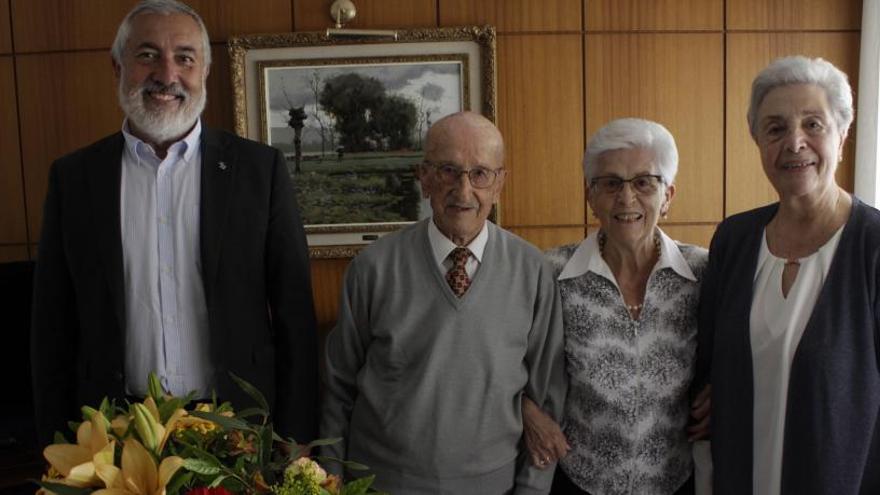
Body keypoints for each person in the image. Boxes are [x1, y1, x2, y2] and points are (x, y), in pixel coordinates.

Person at [30, 0, 317, 446]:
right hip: (113, 431)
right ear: (117, 66)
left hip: (236, 425)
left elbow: (294, 319)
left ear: (204, 70)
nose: (167, 74)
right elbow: (51, 326)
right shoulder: (74, 179)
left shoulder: (259, 171)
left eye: (184, 57)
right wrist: (55, 445)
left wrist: (296, 441)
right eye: (147, 55)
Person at [320, 111, 567, 494]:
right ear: (424, 178)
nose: (464, 191)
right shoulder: (372, 268)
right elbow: (338, 390)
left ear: (500, 184)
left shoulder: (533, 272)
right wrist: (330, 481)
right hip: (379, 484)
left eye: (481, 174)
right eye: (449, 171)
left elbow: (547, 397)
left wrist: (532, 490)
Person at [697, 55, 880, 494]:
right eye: (775, 128)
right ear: (757, 140)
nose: (794, 142)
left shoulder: (872, 246)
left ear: (842, 134)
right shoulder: (734, 239)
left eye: (813, 124)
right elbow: (708, 360)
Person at [521, 118, 711, 494]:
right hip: (579, 481)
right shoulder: (551, 273)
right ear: (591, 196)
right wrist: (526, 412)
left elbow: (747, 348)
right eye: (610, 183)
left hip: (674, 483)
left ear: (668, 195)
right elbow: (501, 361)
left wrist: (724, 388)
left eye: (644, 182)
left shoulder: (704, 272)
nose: (626, 199)